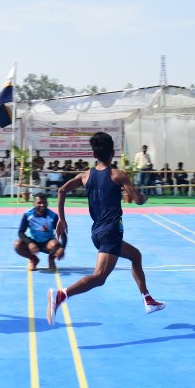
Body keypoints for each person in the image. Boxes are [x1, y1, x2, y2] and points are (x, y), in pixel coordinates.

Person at [47, 131, 165, 326]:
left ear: (94, 155)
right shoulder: (117, 174)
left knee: (136, 256)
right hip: (110, 232)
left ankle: (147, 299)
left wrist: (62, 219)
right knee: (99, 278)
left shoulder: (85, 176)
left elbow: (61, 191)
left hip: (97, 232)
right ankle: (61, 295)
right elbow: (137, 200)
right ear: (113, 154)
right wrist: (143, 196)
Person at [14, 193, 65, 271]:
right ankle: (33, 259)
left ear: (47, 203)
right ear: (34, 203)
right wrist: (29, 243)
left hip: (47, 243)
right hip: (33, 242)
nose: (42, 205)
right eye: (39, 203)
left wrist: (62, 248)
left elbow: (62, 234)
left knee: (56, 244)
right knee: (17, 245)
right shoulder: (28, 215)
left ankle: (51, 260)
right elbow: (20, 232)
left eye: (44, 202)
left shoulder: (53, 216)